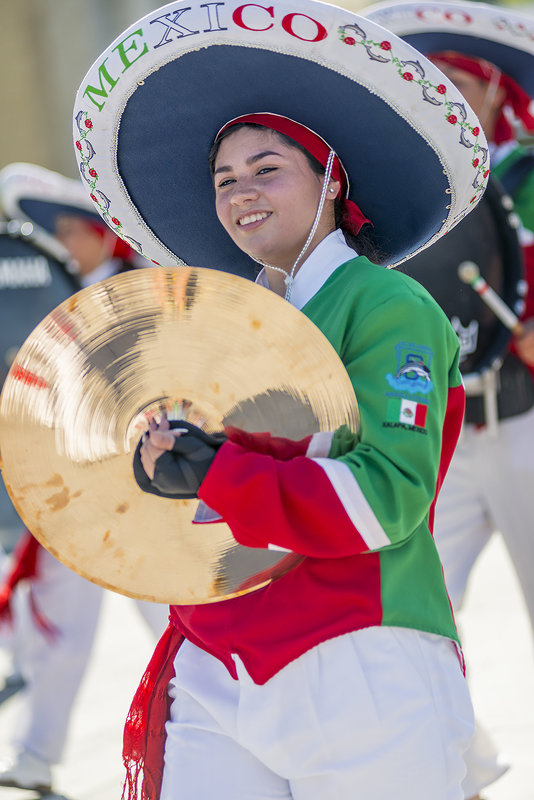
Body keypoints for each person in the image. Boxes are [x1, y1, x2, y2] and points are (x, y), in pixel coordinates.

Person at [71, 2, 492, 797]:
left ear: (332, 179)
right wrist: (158, 469)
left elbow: (386, 500)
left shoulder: (386, 306)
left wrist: (215, 472)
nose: (240, 193)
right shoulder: (220, 325)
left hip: (361, 655)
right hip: (214, 662)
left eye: (268, 169)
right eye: (224, 179)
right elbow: (192, 512)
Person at [361, 2, 534, 798]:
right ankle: (461, 771)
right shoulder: (403, 190)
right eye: (437, 88)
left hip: (529, 421)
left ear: (496, 89)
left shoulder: (529, 172)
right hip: (442, 433)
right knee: (408, 615)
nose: (450, 100)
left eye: (462, 83)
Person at [0, 163, 169, 794]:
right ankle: (36, 756)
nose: (65, 240)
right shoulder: (49, 299)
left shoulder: (146, 289)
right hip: (76, 492)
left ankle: (205, 749)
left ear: (106, 234)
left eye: (77, 227)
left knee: (176, 623)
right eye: (60, 230)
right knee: (61, 632)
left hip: (145, 493)